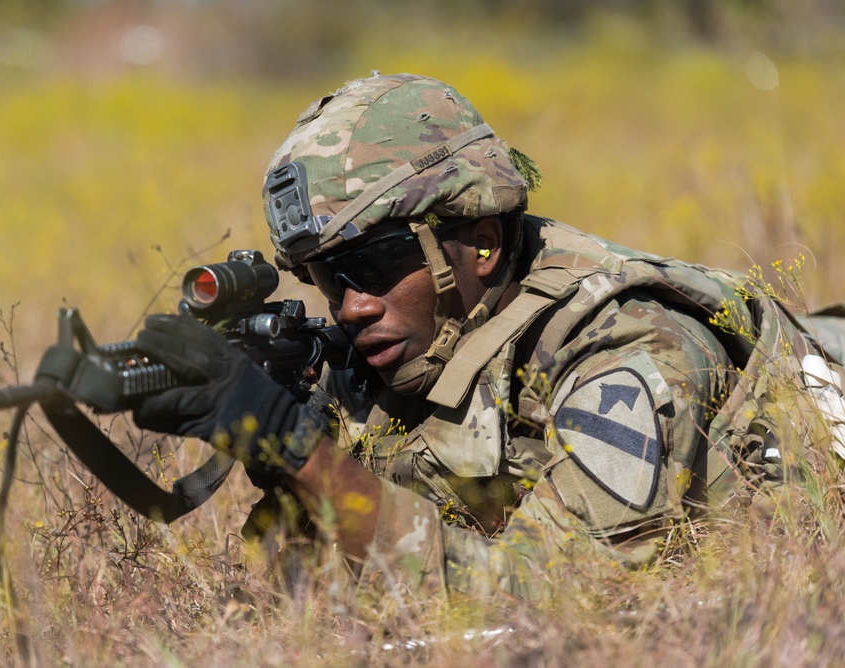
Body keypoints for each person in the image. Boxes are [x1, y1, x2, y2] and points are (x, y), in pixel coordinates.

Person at [132, 73, 845, 599]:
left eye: (375, 265)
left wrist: (298, 447)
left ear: (479, 244)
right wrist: (277, 457)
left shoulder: (633, 348)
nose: (350, 307)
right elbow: (304, 586)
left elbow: (561, 600)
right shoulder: (411, 349)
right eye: (325, 278)